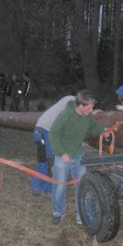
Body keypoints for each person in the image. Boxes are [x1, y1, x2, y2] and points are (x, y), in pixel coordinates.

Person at [49, 90, 109, 225]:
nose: (92, 109)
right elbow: (53, 133)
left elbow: (93, 127)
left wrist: (104, 131)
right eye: (90, 107)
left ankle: (81, 214)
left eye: (93, 106)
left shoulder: (87, 116)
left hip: (79, 155)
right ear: (81, 105)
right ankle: (58, 212)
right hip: (63, 156)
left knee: (81, 186)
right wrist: (61, 152)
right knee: (60, 186)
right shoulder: (66, 115)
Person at [31, 95, 76, 197]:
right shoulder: (71, 100)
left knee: (49, 160)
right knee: (49, 161)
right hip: (45, 130)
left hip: (47, 129)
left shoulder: (71, 102)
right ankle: (39, 188)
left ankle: (46, 189)